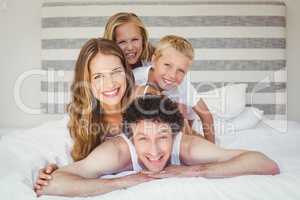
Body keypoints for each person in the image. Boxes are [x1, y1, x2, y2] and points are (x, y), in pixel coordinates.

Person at [35, 95, 280, 197]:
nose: (154, 151)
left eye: (162, 137)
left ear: (174, 135)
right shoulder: (117, 152)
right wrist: (120, 182)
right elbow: (53, 184)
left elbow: (266, 163)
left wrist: (195, 170)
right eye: (143, 139)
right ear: (130, 137)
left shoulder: (188, 147)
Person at [33, 37, 135, 191]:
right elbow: (68, 165)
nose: (110, 83)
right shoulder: (78, 123)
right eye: (98, 76)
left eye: (116, 72)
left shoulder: (145, 107)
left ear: (126, 72)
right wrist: (53, 171)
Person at [133, 35, 215, 142]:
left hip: (184, 121)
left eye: (181, 71)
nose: (172, 75)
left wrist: (211, 146)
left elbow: (206, 115)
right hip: (151, 119)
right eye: (167, 65)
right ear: (154, 61)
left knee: (191, 137)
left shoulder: (183, 85)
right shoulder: (136, 77)